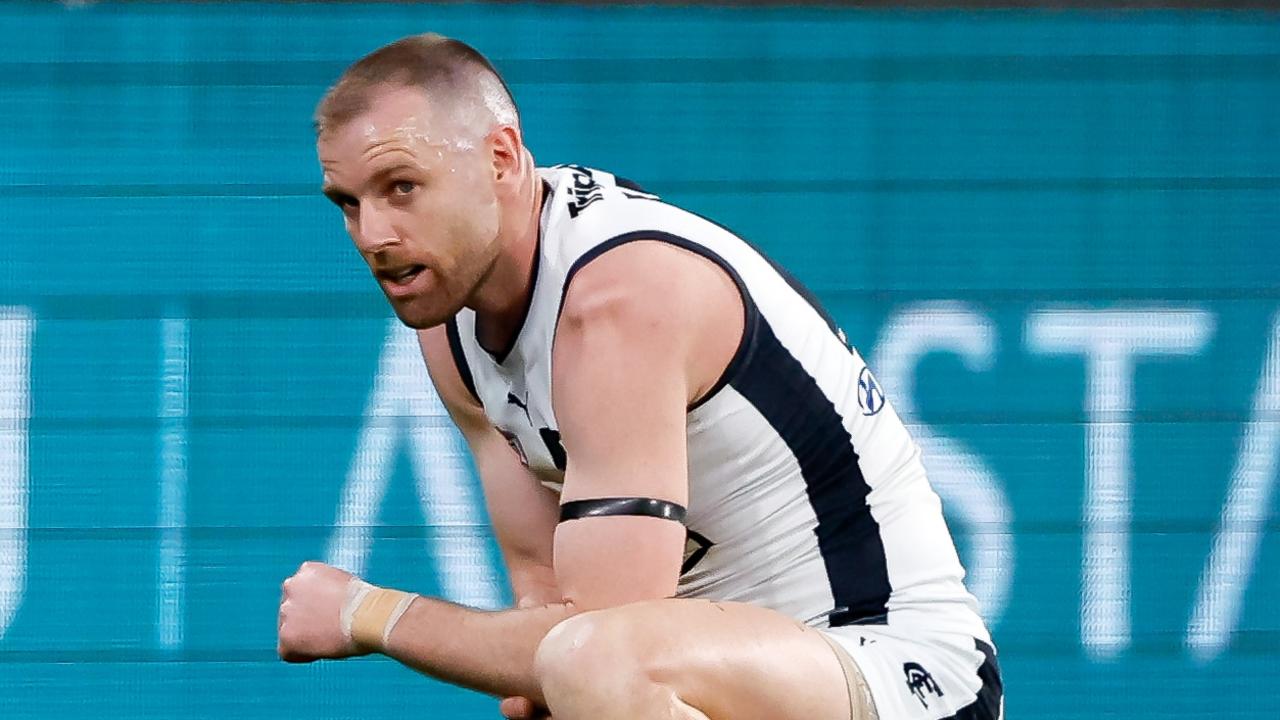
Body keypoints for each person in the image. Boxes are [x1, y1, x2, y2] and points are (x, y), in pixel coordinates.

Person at [276, 33, 1002, 720]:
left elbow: (596, 636)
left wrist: (364, 614)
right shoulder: (450, 322)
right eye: (348, 203)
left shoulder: (618, 300)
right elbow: (544, 596)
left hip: (901, 676)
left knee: (598, 660)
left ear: (501, 158)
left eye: (400, 187)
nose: (372, 235)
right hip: (723, 678)